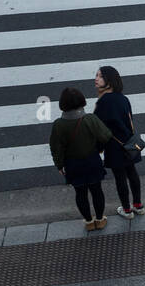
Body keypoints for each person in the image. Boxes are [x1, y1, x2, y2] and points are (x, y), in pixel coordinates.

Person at [48, 86, 113, 232]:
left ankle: (89, 221)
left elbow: (56, 148)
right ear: (81, 101)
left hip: (73, 164)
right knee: (96, 190)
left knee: (80, 193)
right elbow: (106, 136)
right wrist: (99, 147)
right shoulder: (89, 119)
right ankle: (100, 219)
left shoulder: (59, 125)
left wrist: (59, 165)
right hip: (92, 161)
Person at [93, 65, 145, 220]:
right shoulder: (123, 98)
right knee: (132, 172)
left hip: (114, 145)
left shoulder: (103, 102)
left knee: (120, 178)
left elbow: (99, 128)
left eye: (100, 76)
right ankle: (138, 205)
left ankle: (127, 209)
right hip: (129, 142)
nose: (96, 79)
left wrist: (98, 148)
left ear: (109, 80)